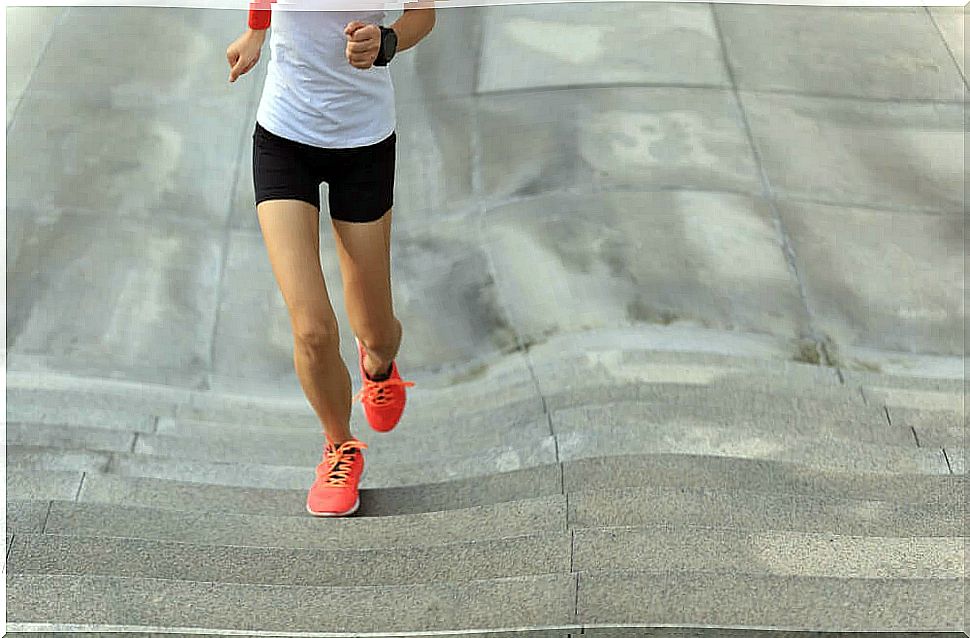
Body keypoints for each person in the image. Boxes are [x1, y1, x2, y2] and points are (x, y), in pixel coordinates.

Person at [225, 0, 435, 517]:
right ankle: (339, 447)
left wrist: (385, 42)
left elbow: (423, 14)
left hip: (363, 142)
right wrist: (256, 32)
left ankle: (379, 366)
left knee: (375, 328)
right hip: (283, 136)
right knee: (313, 329)